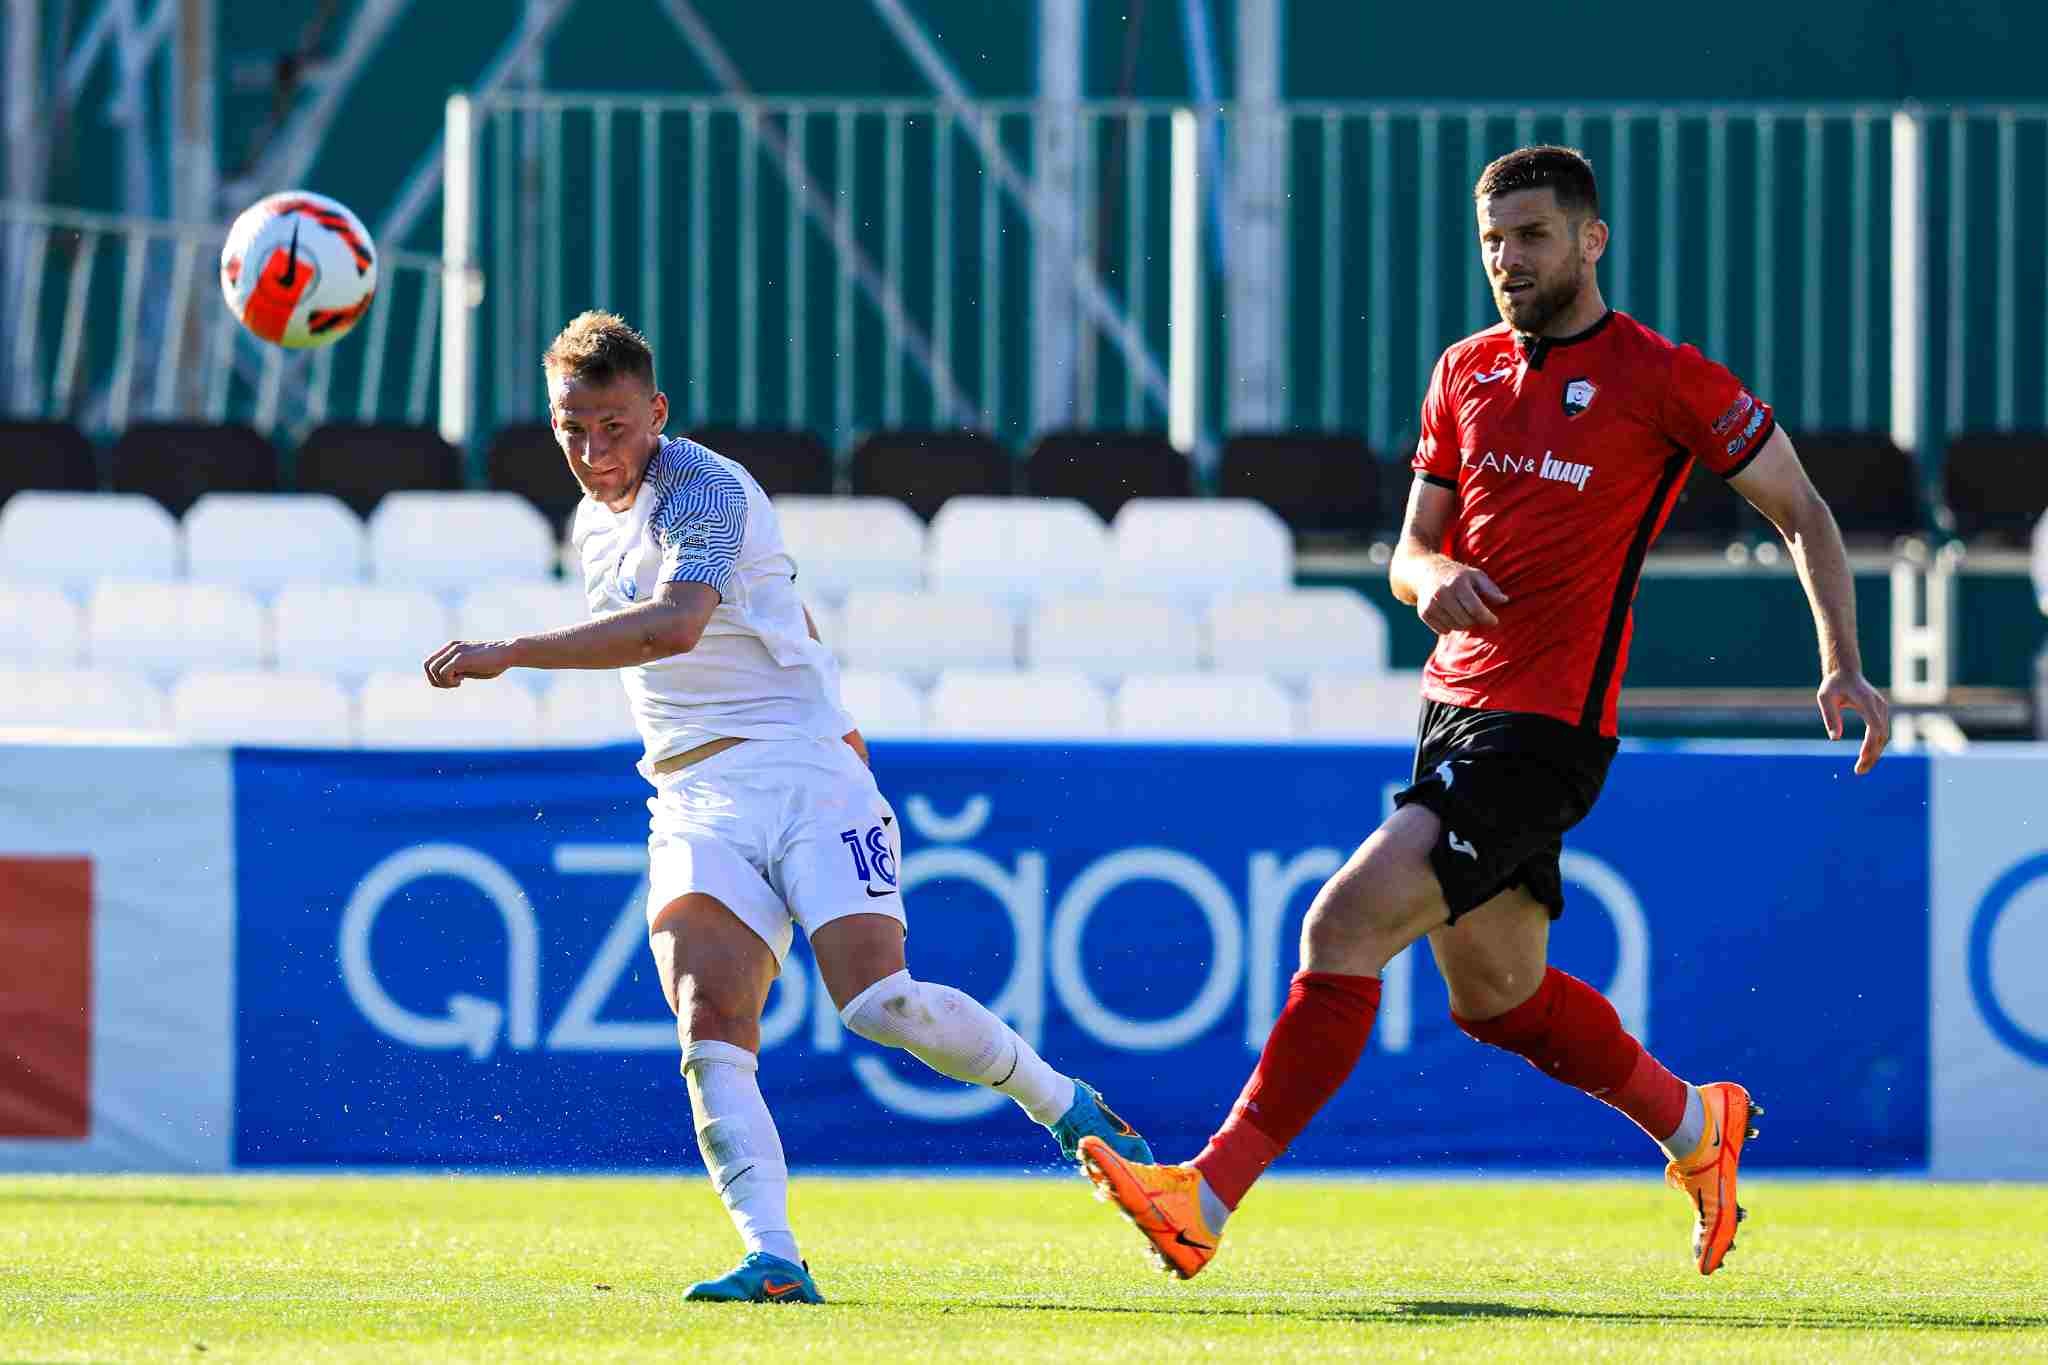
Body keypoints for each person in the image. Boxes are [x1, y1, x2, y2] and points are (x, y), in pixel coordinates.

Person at [1079, 145, 1890, 1281]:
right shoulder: (1462, 370)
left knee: (1340, 927)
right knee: (1497, 998)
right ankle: (1696, 1124)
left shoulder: (1663, 378)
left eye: (1532, 236)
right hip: (1450, 713)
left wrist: (1842, 662)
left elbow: (1800, 508)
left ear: (1590, 241)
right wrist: (1431, 580)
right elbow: (1409, 552)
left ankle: (1202, 1196)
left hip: (1545, 731)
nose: (1508, 260)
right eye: (1493, 241)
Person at [423, 311, 1150, 1304]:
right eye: (571, 429)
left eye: (613, 427)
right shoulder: (593, 524)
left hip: (802, 775)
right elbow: (780, 608)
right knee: (707, 1021)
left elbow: (676, 627)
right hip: (691, 794)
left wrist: (511, 651)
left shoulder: (703, 488)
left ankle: (1068, 1109)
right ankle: (773, 1257)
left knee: (881, 1005)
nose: (593, 452)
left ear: (656, 413)